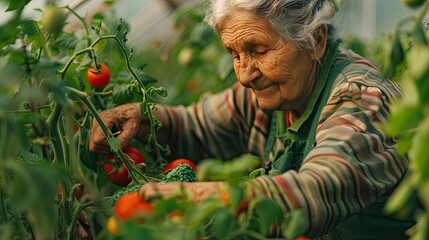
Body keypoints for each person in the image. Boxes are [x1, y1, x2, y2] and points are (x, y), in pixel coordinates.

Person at [89, 0, 415, 239]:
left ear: (315, 41)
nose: (245, 75)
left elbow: (316, 189)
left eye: (258, 50)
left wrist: (197, 197)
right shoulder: (275, 92)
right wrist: (142, 118)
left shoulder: (362, 100)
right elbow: (197, 124)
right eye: (234, 54)